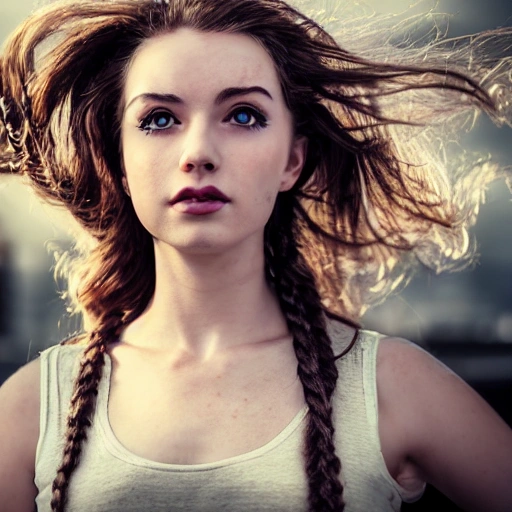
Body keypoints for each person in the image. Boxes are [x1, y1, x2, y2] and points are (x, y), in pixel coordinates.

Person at [0, 0, 511, 511]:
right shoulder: (29, 409)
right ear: (122, 165)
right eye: (159, 119)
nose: (198, 152)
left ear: (292, 161)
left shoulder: (389, 385)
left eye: (243, 115)